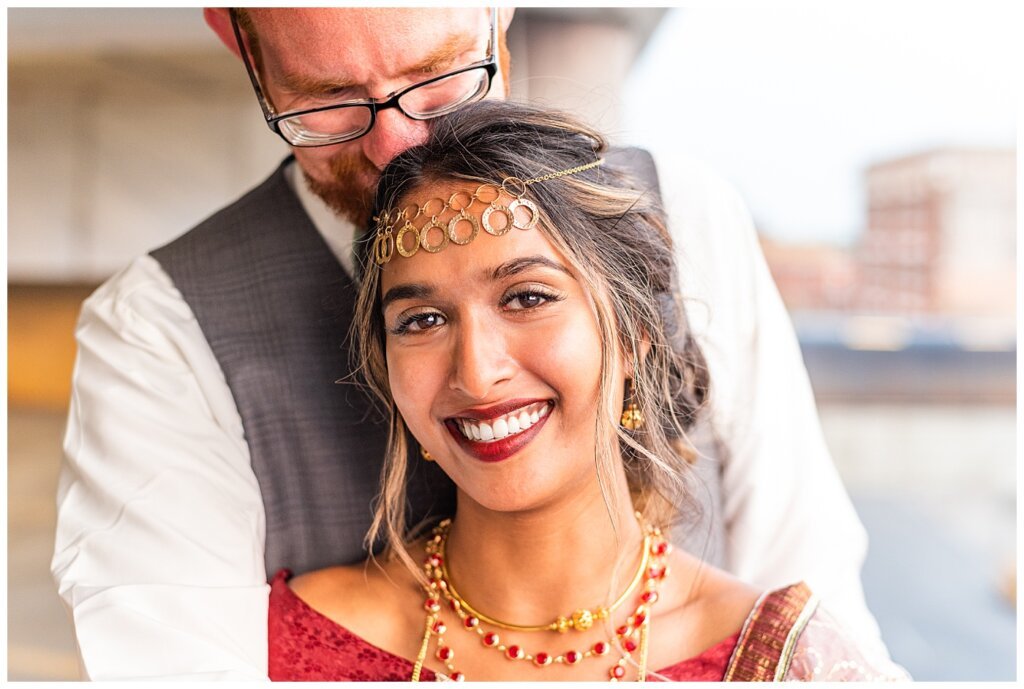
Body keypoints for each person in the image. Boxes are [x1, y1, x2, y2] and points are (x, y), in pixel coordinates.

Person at [51, 8, 886, 681]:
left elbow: (807, 567)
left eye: (436, 76)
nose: (400, 148)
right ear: (238, 41)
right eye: (328, 98)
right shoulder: (161, 327)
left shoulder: (689, 213)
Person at [268, 101, 907, 681]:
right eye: (422, 321)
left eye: (527, 298)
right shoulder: (292, 647)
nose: (477, 372)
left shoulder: (783, 662)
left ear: (632, 335)